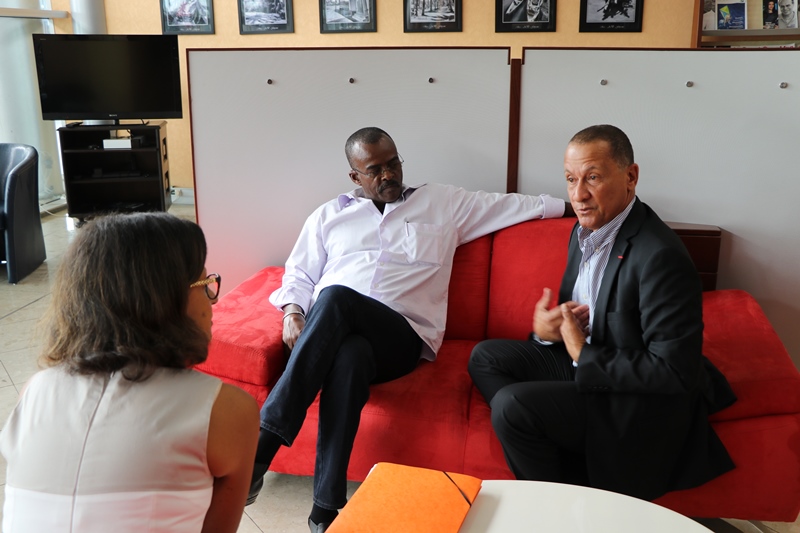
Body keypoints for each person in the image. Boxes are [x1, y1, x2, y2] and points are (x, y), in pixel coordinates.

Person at [249, 126, 572, 532]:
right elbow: (297, 275)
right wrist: (293, 313)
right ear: (354, 176)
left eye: (393, 164)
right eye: (375, 170)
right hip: (340, 340)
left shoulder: (443, 203)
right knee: (348, 355)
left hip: (401, 339)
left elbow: (519, 205)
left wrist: (582, 204)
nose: (388, 175)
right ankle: (324, 512)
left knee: (335, 297)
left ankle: (262, 446)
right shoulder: (328, 216)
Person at [468, 125, 737, 502]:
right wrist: (548, 332)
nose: (578, 195)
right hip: (592, 369)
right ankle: (556, 453)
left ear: (630, 177)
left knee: (513, 406)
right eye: (570, 179)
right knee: (485, 357)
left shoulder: (660, 256)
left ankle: (557, 505)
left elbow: (675, 372)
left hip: (633, 399)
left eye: (593, 177)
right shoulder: (585, 232)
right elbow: (580, 317)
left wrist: (582, 352)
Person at [0, 212, 259, 533]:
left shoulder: (34, 391)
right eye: (205, 285)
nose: (213, 302)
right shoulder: (225, 411)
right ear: (164, 299)